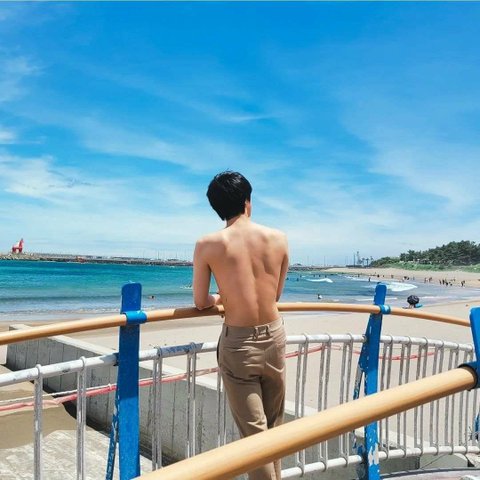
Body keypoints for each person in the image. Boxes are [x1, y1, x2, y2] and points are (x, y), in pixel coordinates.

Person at [193, 171, 289, 480]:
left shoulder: (208, 244)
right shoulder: (279, 238)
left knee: (254, 437)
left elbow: (200, 301)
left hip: (239, 344)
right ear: (248, 201)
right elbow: (275, 295)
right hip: (274, 335)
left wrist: (222, 296)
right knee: (273, 428)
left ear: (217, 208)